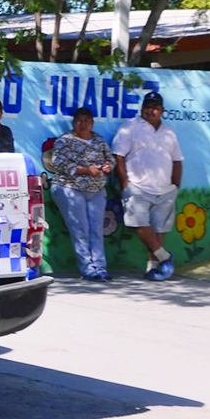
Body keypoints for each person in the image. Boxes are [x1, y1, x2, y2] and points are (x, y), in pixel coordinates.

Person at [112, 90, 183, 280]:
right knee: (140, 225)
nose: (150, 111)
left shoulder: (169, 132)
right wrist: (125, 182)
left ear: (162, 110)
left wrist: (176, 185)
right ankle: (165, 257)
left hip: (165, 189)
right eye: (147, 107)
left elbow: (177, 160)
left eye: (155, 108)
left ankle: (152, 268)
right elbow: (118, 156)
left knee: (159, 229)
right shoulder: (130, 127)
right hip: (137, 188)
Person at [44, 105, 114, 280]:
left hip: (96, 190)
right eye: (79, 121)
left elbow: (111, 159)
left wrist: (107, 166)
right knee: (80, 229)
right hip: (70, 188)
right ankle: (87, 269)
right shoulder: (65, 140)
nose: (83, 124)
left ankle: (100, 267)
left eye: (87, 121)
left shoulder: (99, 140)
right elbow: (59, 164)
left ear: (92, 123)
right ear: (74, 123)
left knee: (96, 229)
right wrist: (86, 170)